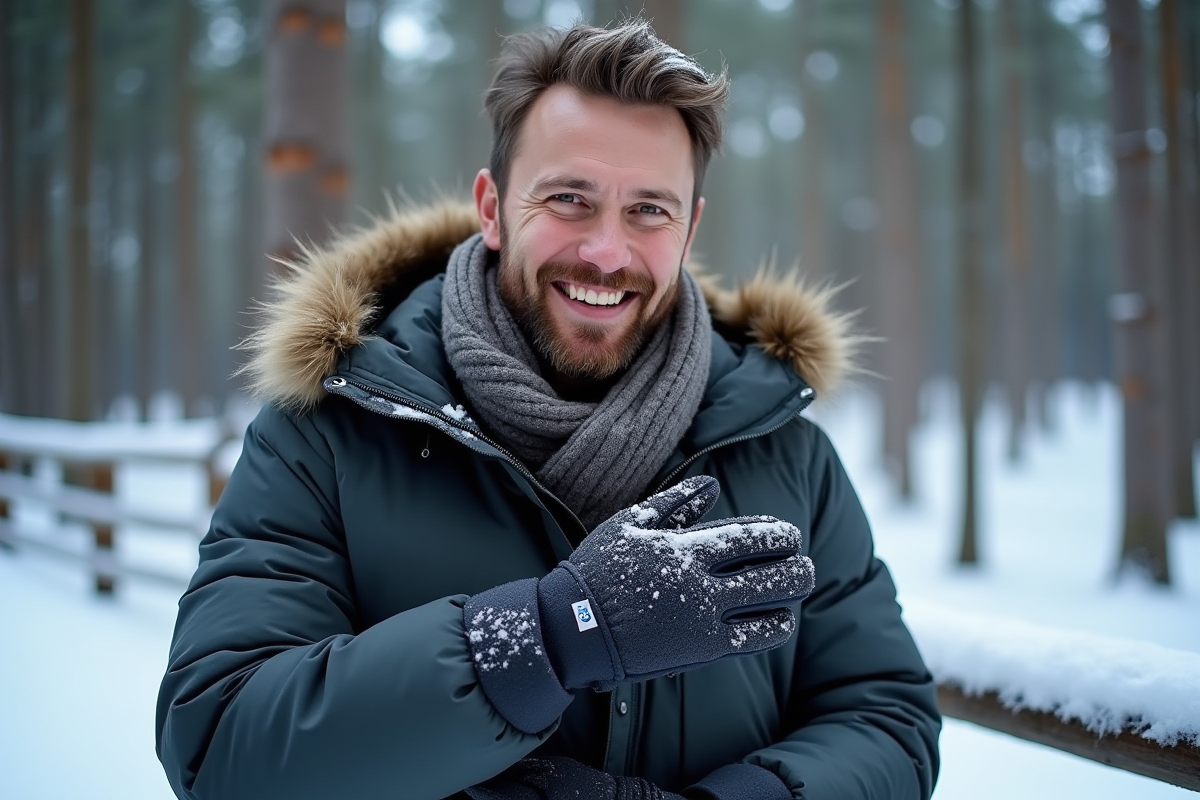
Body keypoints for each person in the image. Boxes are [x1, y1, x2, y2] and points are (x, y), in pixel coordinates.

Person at [156, 18, 940, 800]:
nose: (606, 252)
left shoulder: (783, 450)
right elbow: (221, 745)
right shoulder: (329, 432)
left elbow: (887, 721)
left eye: (649, 210)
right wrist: (546, 638)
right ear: (492, 208)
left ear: (690, 226)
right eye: (569, 199)